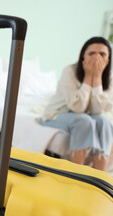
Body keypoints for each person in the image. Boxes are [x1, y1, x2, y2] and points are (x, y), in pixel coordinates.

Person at [41, 36, 113, 172]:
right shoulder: (69, 71)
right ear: (83, 57)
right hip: (58, 114)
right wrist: (88, 77)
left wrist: (97, 78)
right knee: (83, 121)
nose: (96, 58)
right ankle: (76, 173)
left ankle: (98, 176)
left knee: (104, 123)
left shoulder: (109, 78)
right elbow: (78, 108)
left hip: (87, 116)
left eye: (102, 54)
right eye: (91, 53)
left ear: (108, 60)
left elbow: (97, 111)